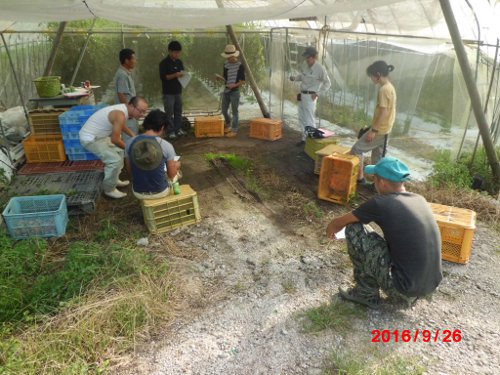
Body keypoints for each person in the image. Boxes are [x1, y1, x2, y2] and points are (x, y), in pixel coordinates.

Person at [326, 157, 442, 309]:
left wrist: (330, 229)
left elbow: (338, 223)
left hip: (403, 289)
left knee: (353, 229)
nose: (374, 183)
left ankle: (365, 293)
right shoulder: (419, 199)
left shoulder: (380, 203)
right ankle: (410, 294)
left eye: (374, 179)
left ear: (381, 182)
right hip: (429, 287)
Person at [79, 96, 148, 199]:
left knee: (119, 151)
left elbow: (121, 125)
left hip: (100, 136)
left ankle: (114, 180)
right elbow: (115, 140)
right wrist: (132, 149)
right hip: (90, 139)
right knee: (114, 160)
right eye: (141, 111)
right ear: (131, 106)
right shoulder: (119, 114)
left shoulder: (123, 110)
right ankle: (109, 189)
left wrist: (133, 136)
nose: (142, 115)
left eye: (144, 112)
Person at [351, 60, 397, 185]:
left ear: (377, 74)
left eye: (371, 76)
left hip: (380, 131)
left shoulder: (384, 90)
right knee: (377, 159)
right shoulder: (390, 87)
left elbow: (384, 112)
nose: (371, 79)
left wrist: (374, 130)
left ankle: (360, 179)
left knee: (356, 149)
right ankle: (378, 186)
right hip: (385, 129)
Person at [126, 109, 181, 200]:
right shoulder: (166, 145)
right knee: (177, 165)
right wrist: (176, 165)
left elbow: (129, 170)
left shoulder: (130, 142)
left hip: (138, 192)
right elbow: (171, 175)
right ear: (163, 127)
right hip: (161, 192)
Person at [290, 46, 331, 146]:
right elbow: (302, 76)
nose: (307, 60)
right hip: (302, 94)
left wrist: (318, 93)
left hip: (310, 97)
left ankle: (312, 143)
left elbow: (328, 83)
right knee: (301, 117)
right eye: (306, 58)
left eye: (308, 57)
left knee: (309, 119)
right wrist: (295, 78)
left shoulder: (320, 68)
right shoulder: (305, 65)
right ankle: (304, 139)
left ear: (314, 57)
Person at [215, 44, 245, 138]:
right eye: (227, 57)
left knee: (235, 111)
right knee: (224, 110)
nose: (228, 59)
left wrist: (234, 85)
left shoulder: (240, 65)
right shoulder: (226, 64)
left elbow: (243, 81)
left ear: (234, 56)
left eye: (229, 57)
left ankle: (234, 130)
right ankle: (229, 124)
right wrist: (220, 78)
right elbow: (225, 78)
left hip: (235, 92)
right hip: (226, 90)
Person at [159, 41, 185, 140]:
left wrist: (183, 75)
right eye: (175, 52)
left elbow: (182, 72)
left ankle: (178, 129)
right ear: (170, 51)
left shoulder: (179, 62)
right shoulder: (164, 63)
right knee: (169, 112)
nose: (177, 54)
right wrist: (175, 75)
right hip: (168, 92)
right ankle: (170, 131)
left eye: (179, 52)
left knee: (178, 111)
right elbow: (164, 77)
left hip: (178, 91)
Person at [113, 48, 139, 142]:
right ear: (127, 60)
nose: (135, 61)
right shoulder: (122, 75)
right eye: (134, 59)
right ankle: (128, 156)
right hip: (127, 113)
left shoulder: (126, 73)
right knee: (129, 138)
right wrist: (130, 110)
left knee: (132, 135)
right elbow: (121, 94)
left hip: (128, 111)